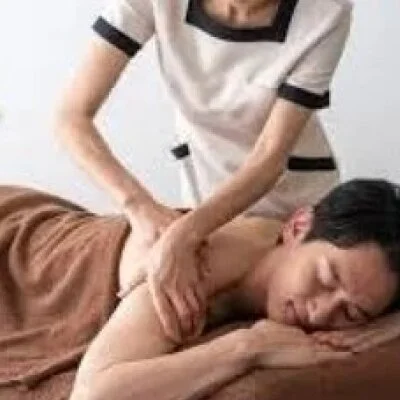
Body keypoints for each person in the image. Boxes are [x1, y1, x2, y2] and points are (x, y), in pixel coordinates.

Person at [55, 0, 353, 338]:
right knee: (158, 300)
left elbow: (268, 158)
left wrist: (184, 235)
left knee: (175, 307)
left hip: (288, 208)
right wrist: (141, 209)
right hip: (206, 201)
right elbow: (71, 117)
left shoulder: (326, 12)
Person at [67, 178, 400, 399]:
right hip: (55, 255)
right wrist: (247, 347)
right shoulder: (196, 266)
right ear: (298, 226)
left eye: (350, 313)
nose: (320, 313)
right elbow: (94, 394)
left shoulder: (358, 279)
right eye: (324, 278)